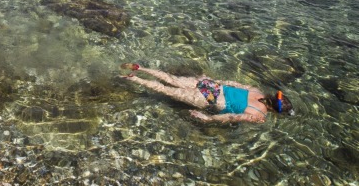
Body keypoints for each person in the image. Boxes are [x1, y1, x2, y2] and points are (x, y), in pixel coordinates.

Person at [120, 63, 294, 123]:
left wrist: (211, 80)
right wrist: (208, 118)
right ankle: (135, 79)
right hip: (211, 99)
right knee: (165, 90)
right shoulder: (259, 116)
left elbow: (232, 83)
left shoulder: (257, 90)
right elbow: (232, 118)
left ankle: (140, 68)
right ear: (276, 111)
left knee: (171, 79)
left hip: (212, 86)